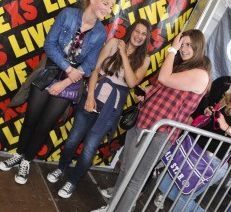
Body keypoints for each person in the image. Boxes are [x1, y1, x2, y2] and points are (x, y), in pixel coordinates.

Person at [0, 0, 116, 185]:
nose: (108, 10)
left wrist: (67, 79)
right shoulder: (68, 14)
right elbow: (49, 44)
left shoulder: (100, 33)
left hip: (70, 81)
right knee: (31, 117)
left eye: (111, 7)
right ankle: (18, 154)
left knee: (45, 124)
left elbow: (89, 64)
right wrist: (68, 68)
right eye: (105, 4)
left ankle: (26, 161)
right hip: (50, 70)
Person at [91, 29, 212, 212]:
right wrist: (148, 94)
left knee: (135, 179)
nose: (183, 49)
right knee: (125, 171)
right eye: (181, 44)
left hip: (160, 133)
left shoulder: (200, 74)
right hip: (144, 121)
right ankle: (111, 208)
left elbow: (164, 78)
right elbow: (165, 88)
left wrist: (172, 50)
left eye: (188, 45)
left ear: (198, 46)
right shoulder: (182, 67)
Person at [46, 19, 152, 198]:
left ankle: (72, 182)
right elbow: (94, 70)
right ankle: (61, 169)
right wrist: (90, 97)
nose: (139, 36)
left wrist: (124, 55)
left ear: (147, 38)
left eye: (144, 34)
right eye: (137, 31)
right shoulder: (112, 43)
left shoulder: (145, 59)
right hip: (93, 97)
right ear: (131, 30)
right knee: (73, 139)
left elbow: (133, 82)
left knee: (89, 147)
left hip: (111, 108)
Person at [155, 59, 231, 212]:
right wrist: (210, 114)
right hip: (193, 151)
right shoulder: (229, 98)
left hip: (211, 161)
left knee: (182, 199)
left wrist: (227, 128)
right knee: (165, 185)